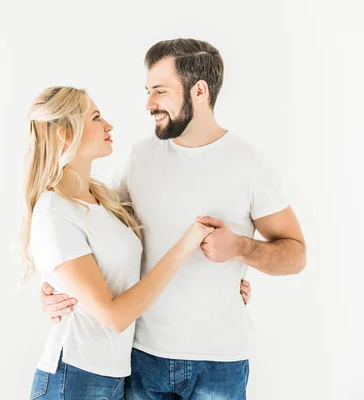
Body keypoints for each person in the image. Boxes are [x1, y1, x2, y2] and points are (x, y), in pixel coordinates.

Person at [40, 38, 306, 400]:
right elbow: (94, 235)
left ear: (199, 90)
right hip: (141, 356)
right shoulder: (140, 158)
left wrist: (242, 248)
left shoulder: (251, 165)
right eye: (148, 91)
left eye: (160, 91)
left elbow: (295, 255)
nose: (149, 104)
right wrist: (55, 288)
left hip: (221, 361)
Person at [20, 86, 221, 400]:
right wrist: (184, 248)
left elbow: (130, 273)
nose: (109, 126)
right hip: (73, 379)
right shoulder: (54, 211)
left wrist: (221, 279)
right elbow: (114, 316)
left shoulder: (103, 201)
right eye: (96, 117)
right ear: (65, 134)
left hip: (113, 376)